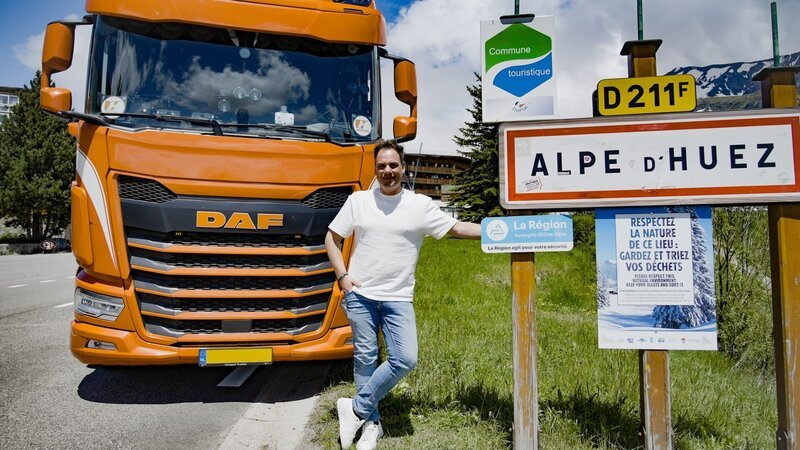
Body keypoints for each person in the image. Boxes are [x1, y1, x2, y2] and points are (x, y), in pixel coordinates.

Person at [325, 139, 481, 450]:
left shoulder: (420, 205)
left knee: (405, 358)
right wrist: (343, 276)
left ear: (403, 167)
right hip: (361, 294)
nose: (387, 171)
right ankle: (371, 425)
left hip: (398, 298)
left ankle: (355, 407)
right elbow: (332, 237)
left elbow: (457, 228)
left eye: (393, 165)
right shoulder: (359, 201)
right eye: (381, 165)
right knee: (366, 359)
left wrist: (499, 230)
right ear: (375, 169)